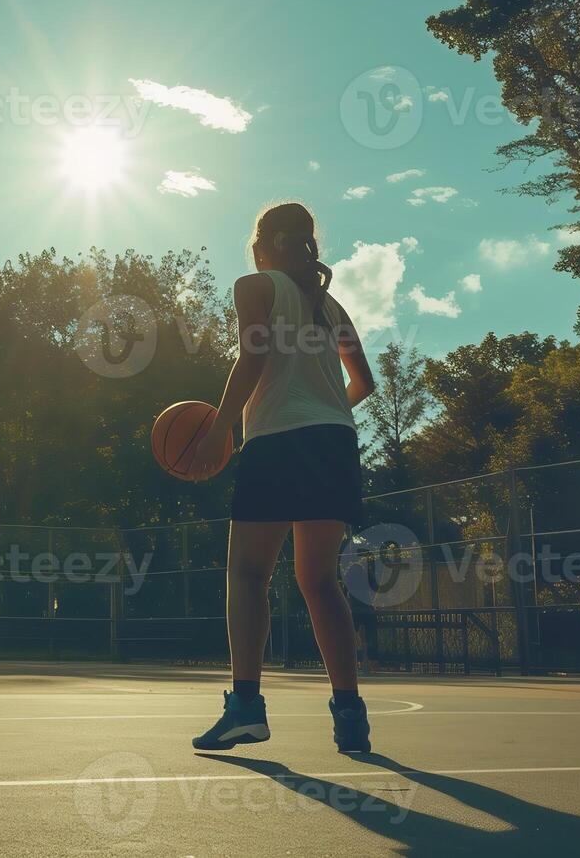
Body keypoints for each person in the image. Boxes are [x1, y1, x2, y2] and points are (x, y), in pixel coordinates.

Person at [187, 202, 376, 754]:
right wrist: (324, 413)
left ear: (263, 242)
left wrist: (221, 428)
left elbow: (252, 356)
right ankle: (351, 718)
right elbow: (363, 382)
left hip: (277, 441)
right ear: (309, 244)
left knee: (248, 574)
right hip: (334, 442)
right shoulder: (331, 305)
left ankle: (246, 708)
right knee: (320, 582)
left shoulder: (255, 285)